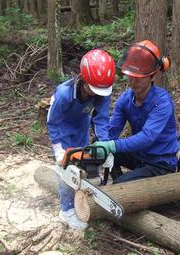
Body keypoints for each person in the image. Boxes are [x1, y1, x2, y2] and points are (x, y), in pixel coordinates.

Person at [91, 40, 180, 184]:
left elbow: (147, 137)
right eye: (130, 75)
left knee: (119, 179)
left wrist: (112, 145)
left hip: (159, 162)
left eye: (139, 77)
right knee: (101, 144)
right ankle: (119, 182)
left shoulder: (162, 102)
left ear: (152, 76)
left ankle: (120, 186)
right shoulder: (125, 99)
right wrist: (102, 144)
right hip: (139, 156)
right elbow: (112, 130)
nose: (133, 81)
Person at [46, 49, 115, 230]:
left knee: (84, 167)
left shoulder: (102, 92)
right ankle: (67, 210)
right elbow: (53, 123)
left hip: (81, 129)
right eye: (91, 90)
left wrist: (104, 145)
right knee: (67, 170)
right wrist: (59, 150)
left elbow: (100, 119)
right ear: (82, 78)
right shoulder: (64, 94)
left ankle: (86, 202)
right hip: (63, 131)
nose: (94, 95)